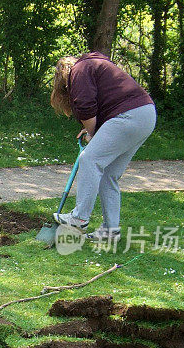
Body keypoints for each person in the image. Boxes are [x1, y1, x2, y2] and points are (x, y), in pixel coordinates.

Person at [50, 52, 156, 240]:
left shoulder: (79, 70)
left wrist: (92, 133)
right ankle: (110, 230)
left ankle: (79, 218)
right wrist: (93, 131)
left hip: (129, 116)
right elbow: (106, 106)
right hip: (145, 114)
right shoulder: (93, 66)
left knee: (89, 159)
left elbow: (85, 105)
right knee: (109, 174)